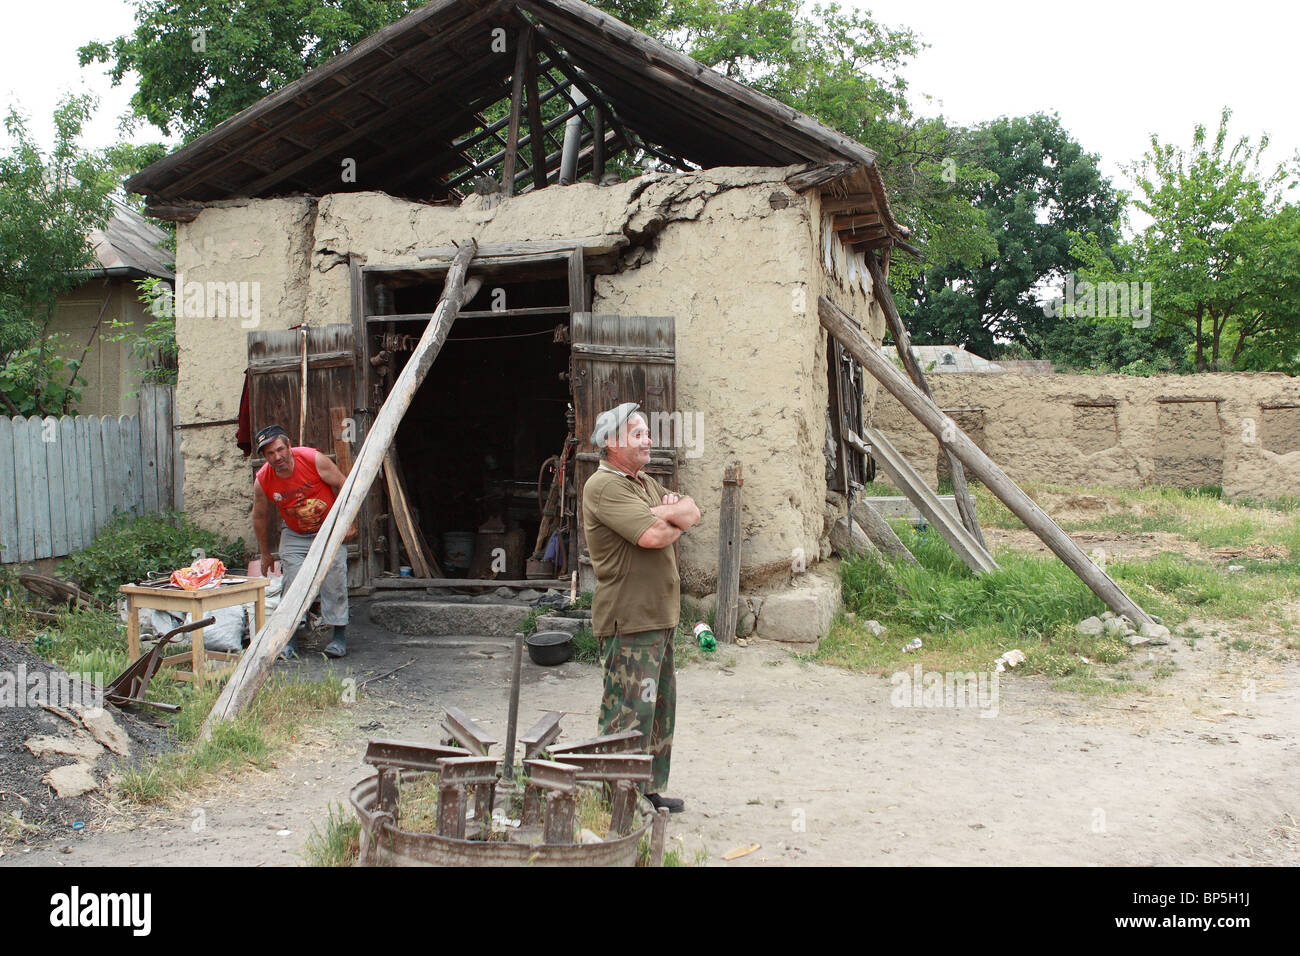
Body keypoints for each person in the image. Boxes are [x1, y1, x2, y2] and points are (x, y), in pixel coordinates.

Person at [582, 402, 700, 813]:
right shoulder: (604, 486)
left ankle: (647, 790)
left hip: (659, 616)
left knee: (658, 710)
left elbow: (692, 511)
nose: (648, 440)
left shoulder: (643, 482)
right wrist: (666, 519)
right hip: (629, 620)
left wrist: (666, 512)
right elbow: (653, 536)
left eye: (648, 432)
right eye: (638, 434)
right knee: (628, 711)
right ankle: (617, 799)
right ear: (611, 442)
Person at [251, 424, 351, 659]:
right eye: (270, 454)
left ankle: (338, 637)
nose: (277, 457)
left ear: (289, 446)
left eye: (279, 450)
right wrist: (265, 553)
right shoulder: (263, 479)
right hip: (295, 533)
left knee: (334, 577)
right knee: (293, 583)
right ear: (265, 457)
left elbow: (343, 483)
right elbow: (259, 516)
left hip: (327, 529)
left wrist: (347, 521)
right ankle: (291, 639)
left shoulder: (313, 459)